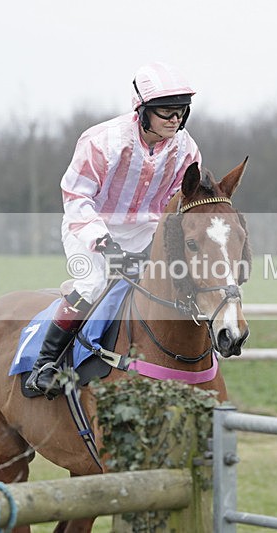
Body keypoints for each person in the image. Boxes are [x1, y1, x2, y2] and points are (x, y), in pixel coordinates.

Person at [26, 62, 202, 398]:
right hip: (90, 226)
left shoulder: (187, 150)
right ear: (142, 111)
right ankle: (45, 364)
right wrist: (106, 245)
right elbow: (77, 197)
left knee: (181, 281)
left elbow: (176, 204)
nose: (174, 119)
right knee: (92, 284)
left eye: (181, 111)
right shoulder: (102, 141)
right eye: (166, 112)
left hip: (147, 232)